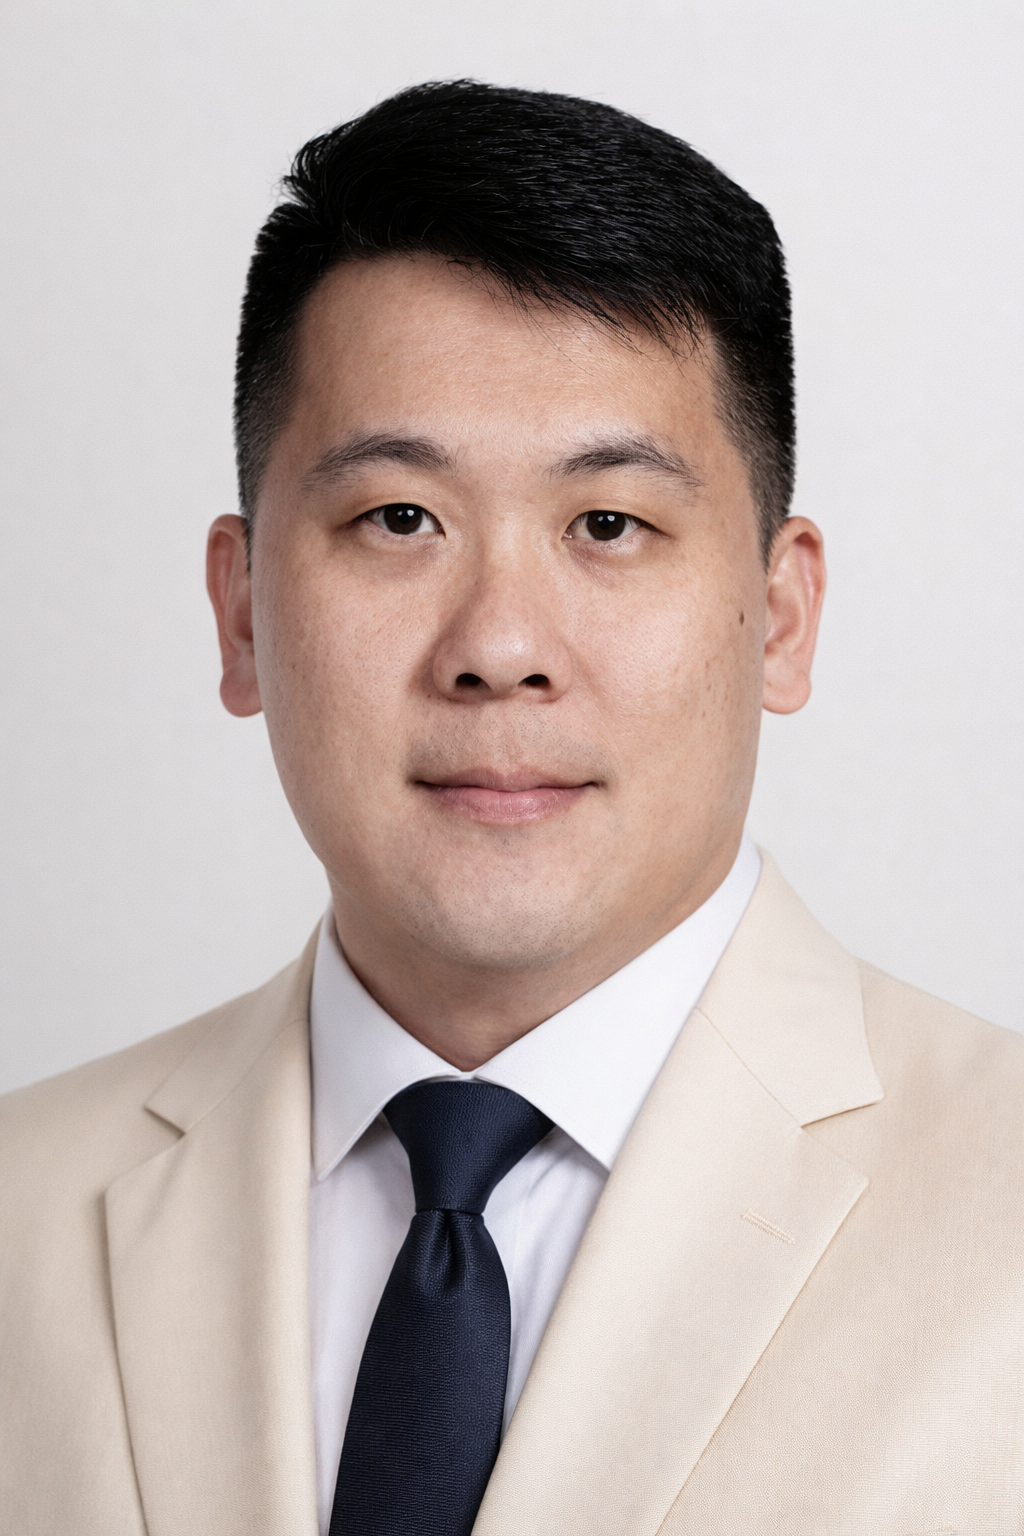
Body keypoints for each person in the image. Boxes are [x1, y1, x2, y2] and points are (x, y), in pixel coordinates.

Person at [1, 79, 1021, 1536]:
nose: (499, 645)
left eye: (609, 523)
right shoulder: (21, 1213)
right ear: (241, 612)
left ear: (781, 615)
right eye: (397, 518)